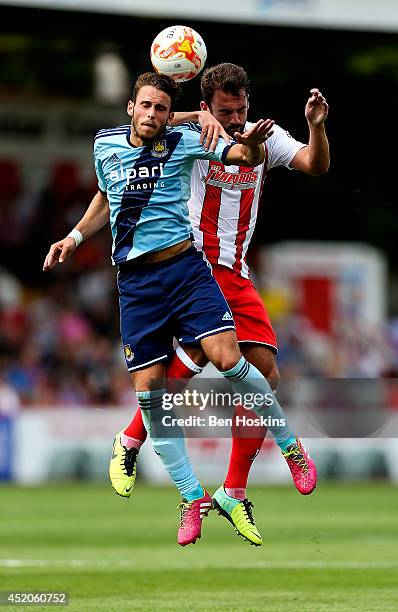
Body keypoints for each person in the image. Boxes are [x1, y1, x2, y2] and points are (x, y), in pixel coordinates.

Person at [44, 72, 304, 547]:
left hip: (190, 268)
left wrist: (249, 142)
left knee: (237, 360)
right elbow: (106, 194)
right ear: (130, 106)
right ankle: (188, 492)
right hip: (137, 283)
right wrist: (75, 236)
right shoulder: (106, 145)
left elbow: (245, 155)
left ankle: (283, 449)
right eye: (146, 106)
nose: (152, 114)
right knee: (155, 394)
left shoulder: (186, 142)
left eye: (161, 108)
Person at [109, 64, 329, 544]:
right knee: (208, 364)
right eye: (225, 111)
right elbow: (148, 122)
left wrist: (316, 125)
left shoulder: (262, 137)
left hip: (236, 271)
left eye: (241, 110)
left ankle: (225, 487)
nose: (234, 119)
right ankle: (139, 444)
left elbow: (315, 165)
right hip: (192, 264)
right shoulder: (190, 132)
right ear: (207, 107)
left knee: (263, 371)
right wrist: (194, 116)